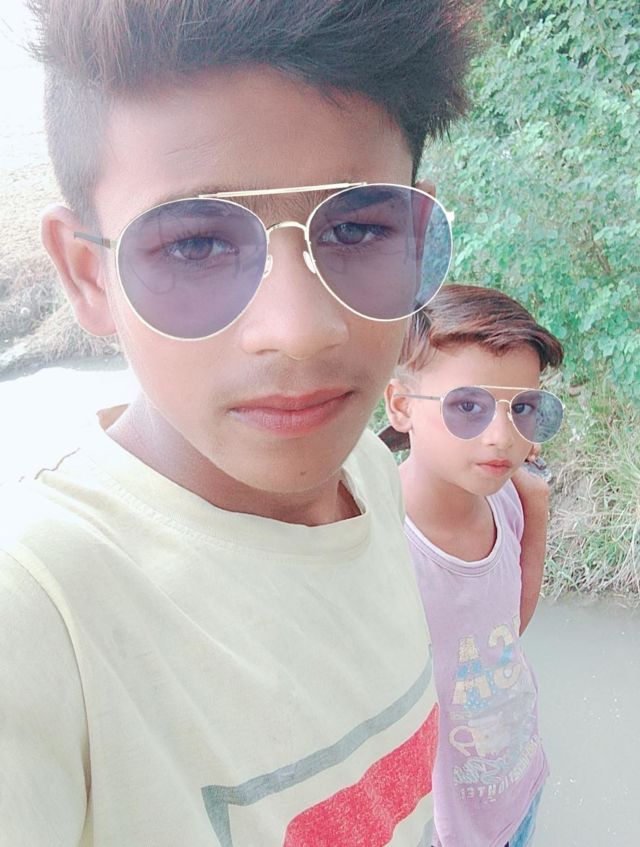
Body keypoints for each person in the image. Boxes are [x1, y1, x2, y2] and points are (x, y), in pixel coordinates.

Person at [0, 2, 481, 844]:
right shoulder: (42, 609)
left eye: (357, 227)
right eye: (194, 245)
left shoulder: (372, 472)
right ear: (88, 275)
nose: (299, 331)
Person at [384, 284, 564, 847]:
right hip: (445, 826)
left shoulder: (507, 499)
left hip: (518, 786)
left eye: (523, 409)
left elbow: (504, 631)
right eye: (467, 407)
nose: (501, 437)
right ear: (401, 406)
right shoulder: (382, 540)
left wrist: (536, 512)